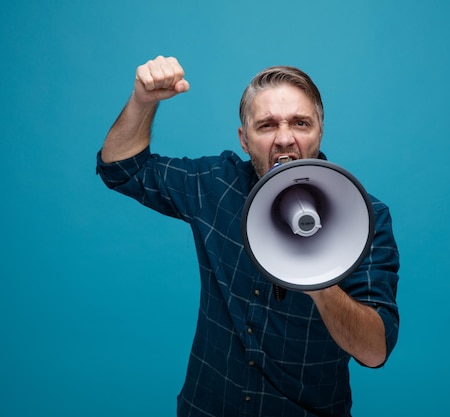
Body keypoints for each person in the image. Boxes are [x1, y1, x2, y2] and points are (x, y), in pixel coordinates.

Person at [97, 55, 399, 417]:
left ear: (320, 130)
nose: (285, 138)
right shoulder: (215, 185)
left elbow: (374, 350)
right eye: (267, 125)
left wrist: (318, 276)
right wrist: (143, 100)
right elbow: (120, 169)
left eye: (300, 123)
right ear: (244, 139)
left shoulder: (365, 216)